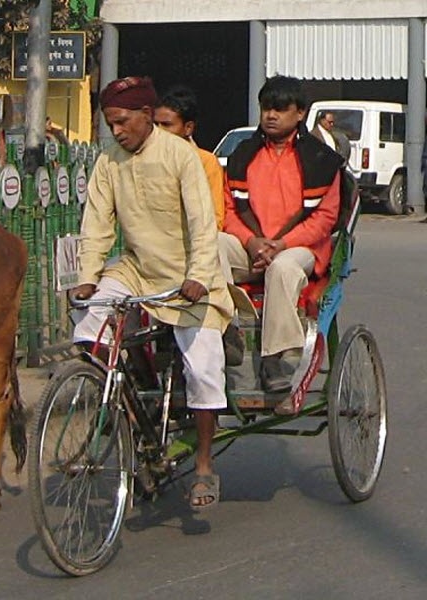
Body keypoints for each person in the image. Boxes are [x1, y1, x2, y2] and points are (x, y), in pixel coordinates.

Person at [72, 76, 234, 509]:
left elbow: (204, 224)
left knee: (203, 369)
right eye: (110, 124)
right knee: (89, 326)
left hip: (189, 278)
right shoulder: (108, 161)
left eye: (123, 122)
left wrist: (199, 274)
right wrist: (88, 275)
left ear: (147, 115)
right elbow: (96, 223)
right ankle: (123, 414)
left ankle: (203, 465)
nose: (117, 131)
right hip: (137, 270)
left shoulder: (182, 156)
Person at [219, 76, 343, 411]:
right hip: (252, 247)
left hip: (299, 250)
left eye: (280, 109)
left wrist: (280, 245)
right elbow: (229, 210)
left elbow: (324, 220)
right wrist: (253, 243)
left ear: (300, 113)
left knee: (283, 268)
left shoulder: (320, 159)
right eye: (266, 108)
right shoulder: (243, 155)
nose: (271, 115)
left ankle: (273, 358)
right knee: (212, 245)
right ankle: (224, 331)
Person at [154, 84, 225, 230]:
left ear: (188, 128)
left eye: (167, 125)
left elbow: (216, 219)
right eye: (156, 124)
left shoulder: (206, 162)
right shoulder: (145, 159)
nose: (159, 131)